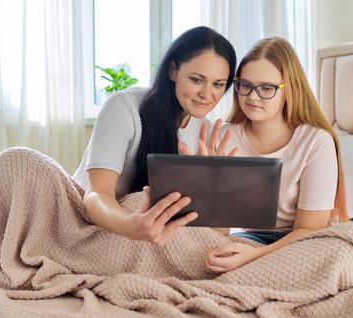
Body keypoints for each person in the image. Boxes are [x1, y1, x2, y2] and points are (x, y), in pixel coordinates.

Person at [182, 37, 348, 273]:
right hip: (245, 240)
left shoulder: (316, 142)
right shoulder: (223, 136)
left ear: (289, 89)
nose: (252, 96)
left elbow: (310, 229)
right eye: (245, 85)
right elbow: (218, 233)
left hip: (298, 243)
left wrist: (253, 257)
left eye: (267, 88)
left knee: (347, 250)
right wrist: (213, 190)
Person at [72, 26, 237, 245]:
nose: (207, 94)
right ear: (173, 71)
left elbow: (220, 233)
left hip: (145, 239)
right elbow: (96, 195)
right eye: (197, 79)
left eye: (218, 84)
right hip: (91, 222)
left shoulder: (208, 134)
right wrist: (130, 226)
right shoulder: (124, 107)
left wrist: (214, 187)